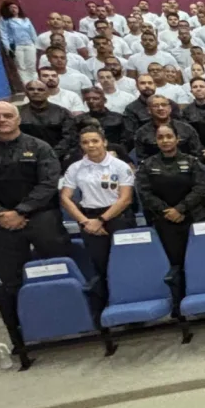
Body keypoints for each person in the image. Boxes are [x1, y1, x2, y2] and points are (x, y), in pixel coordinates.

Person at [0, 100, 71, 353]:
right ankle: (23, 332)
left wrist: (21, 211)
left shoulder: (39, 147)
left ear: (18, 119)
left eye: (7, 115)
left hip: (41, 217)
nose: (2, 120)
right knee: (11, 279)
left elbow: (48, 183)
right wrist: (2, 213)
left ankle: (66, 318)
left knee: (57, 266)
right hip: (1, 222)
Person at [58, 123, 136, 301]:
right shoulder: (75, 168)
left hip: (117, 216)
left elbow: (126, 199)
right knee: (101, 265)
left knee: (125, 263)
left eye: (95, 141)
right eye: (86, 142)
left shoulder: (119, 166)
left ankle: (130, 299)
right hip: (88, 219)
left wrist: (101, 220)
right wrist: (85, 222)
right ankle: (109, 302)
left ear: (104, 142)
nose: (91, 145)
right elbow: (65, 198)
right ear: (81, 145)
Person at [137, 122, 205, 311]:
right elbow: (145, 193)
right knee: (174, 263)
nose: (165, 140)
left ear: (177, 139)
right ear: (155, 141)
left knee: (200, 261)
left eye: (169, 136)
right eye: (160, 137)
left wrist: (181, 209)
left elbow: (200, 189)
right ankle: (179, 304)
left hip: (194, 219)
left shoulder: (192, 162)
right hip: (166, 222)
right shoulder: (147, 165)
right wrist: (167, 211)